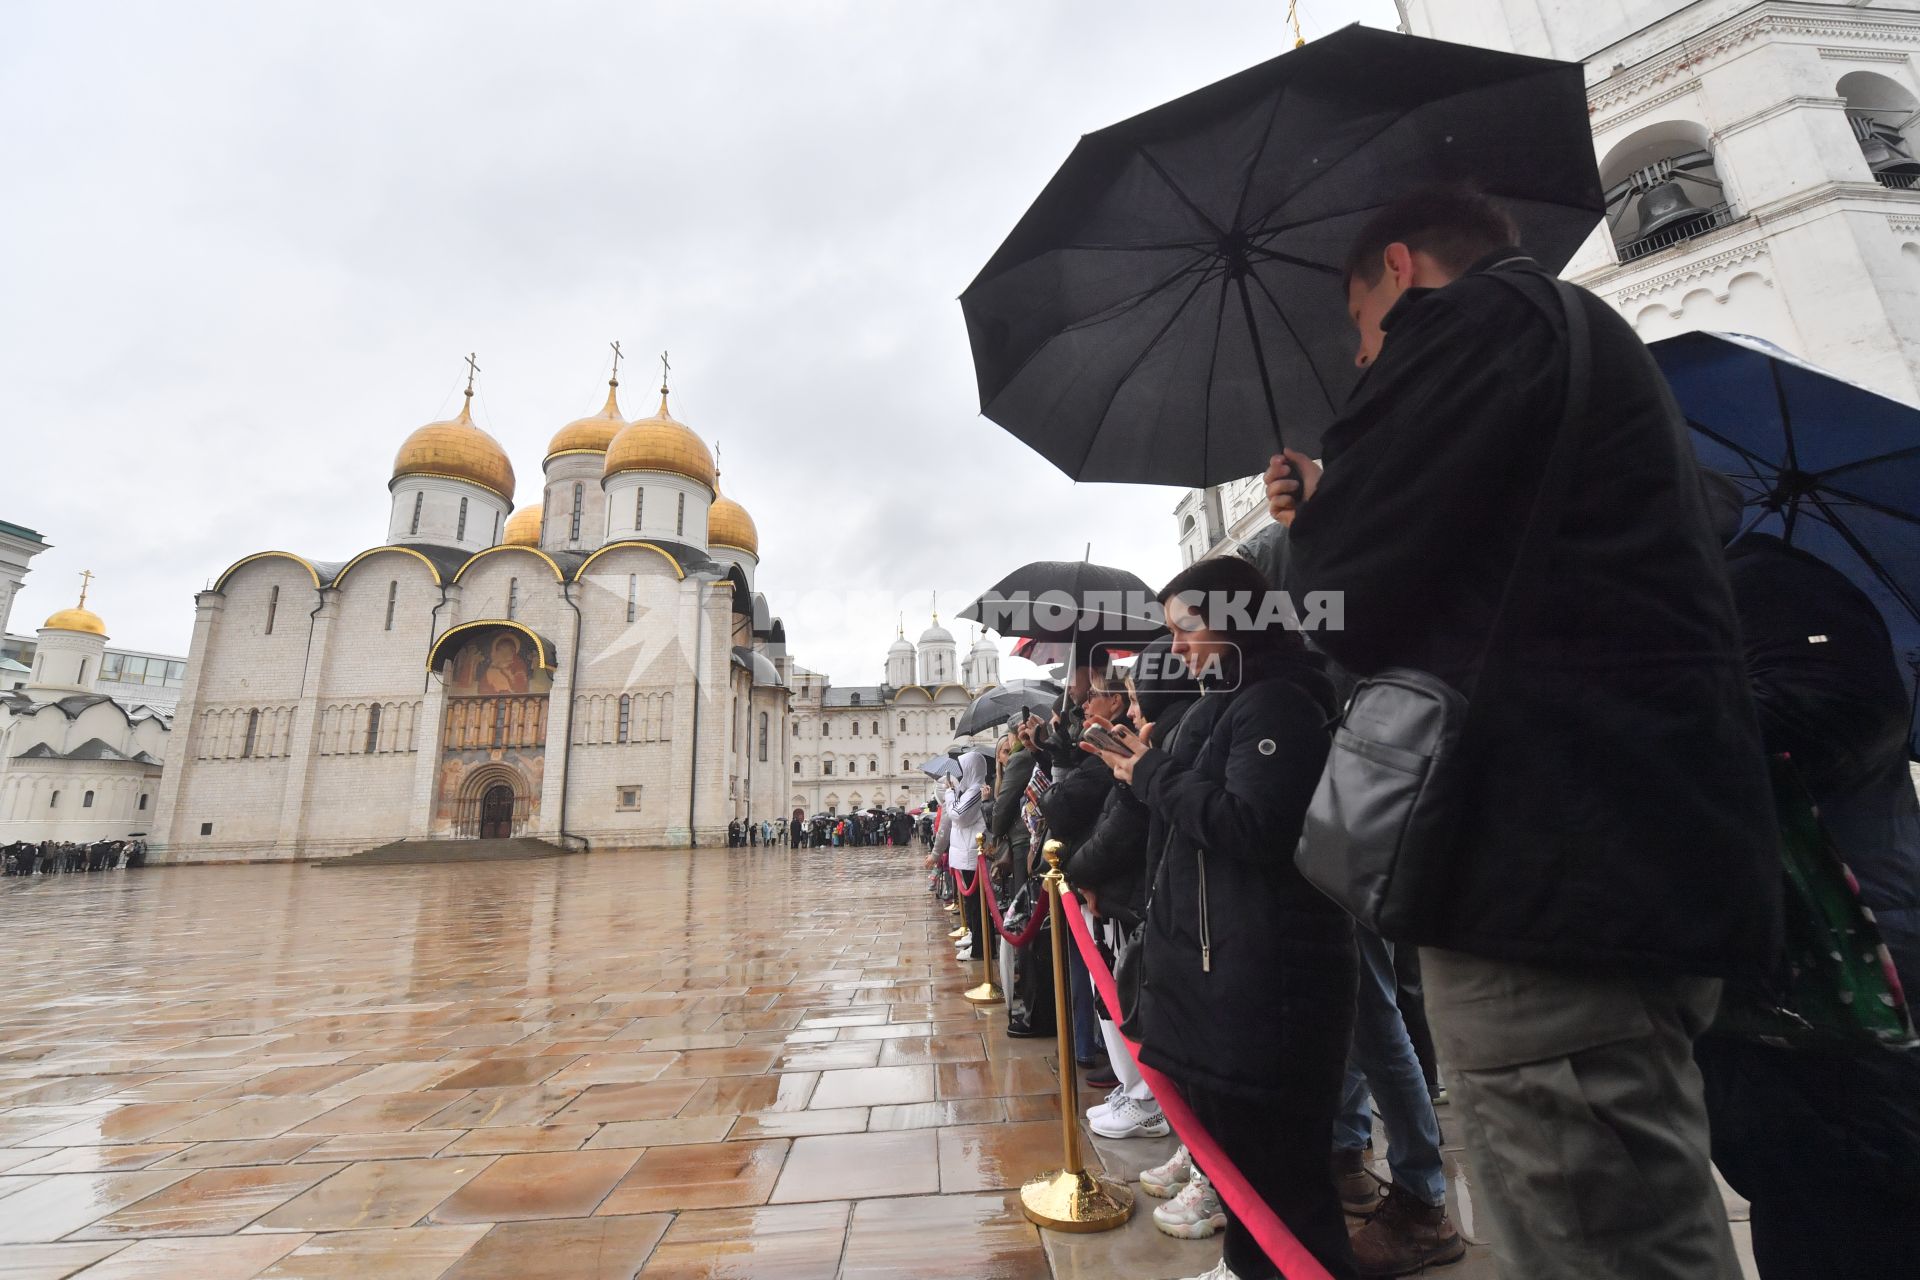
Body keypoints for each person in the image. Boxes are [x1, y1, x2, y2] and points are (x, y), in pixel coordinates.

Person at [1277, 184, 1779, 1279]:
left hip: (1550, 879)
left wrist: (1320, 513)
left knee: (1589, 1232)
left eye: (1360, 328)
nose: (1364, 358)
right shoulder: (1572, 343)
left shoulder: (1468, 327)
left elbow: (1344, 596)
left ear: (1399, 271)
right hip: (1621, 854)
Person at [1083, 556, 1359, 1280]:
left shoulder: (1277, 703)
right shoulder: (1229, 704)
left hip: (1267, 975)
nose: (1176, 647)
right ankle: (1248, 1263)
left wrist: (1150, 773)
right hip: (1229, 966)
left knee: (1283, 1176)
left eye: (1187, 627)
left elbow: (1251, 825)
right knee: (1249, 1166)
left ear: (1236, 620)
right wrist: (1146, 768)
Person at [1691, 471, 1920, 1277]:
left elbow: (1835, 711)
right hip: (1769, 980)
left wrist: (1641, 694)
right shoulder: (1701, 599)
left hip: (1847, 973)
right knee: (1797, 1198)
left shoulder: (1774, 588)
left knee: (1863, 1210)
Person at [948, 752, 991, 961]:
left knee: (976, 904)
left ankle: (980, 948)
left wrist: (950, 794)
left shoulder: (975, 790)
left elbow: (958, 816)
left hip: (971, 851)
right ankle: (976, 939)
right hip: (965, 851)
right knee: (972, 903)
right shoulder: (970, 790)